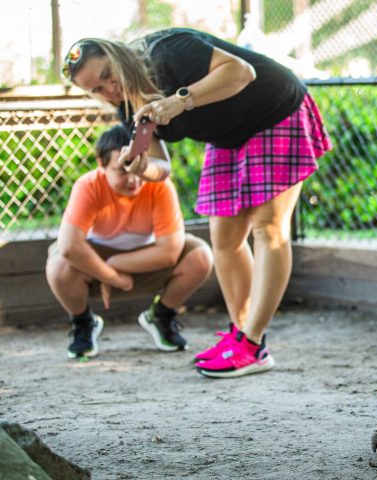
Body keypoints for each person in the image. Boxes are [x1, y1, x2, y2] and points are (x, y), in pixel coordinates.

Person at [61, 28, 331, 378]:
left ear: (117, 55)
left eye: (107, 75)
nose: (108, 89)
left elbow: (240, 72)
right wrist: (142, 167)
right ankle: (242, 334)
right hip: (227, 137)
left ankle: (253, 345)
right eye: (96, 90)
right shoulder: (127, 108)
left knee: (268, 228)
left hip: (274, 109)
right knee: (225, 239)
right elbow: (162, 167)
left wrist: (177, 101)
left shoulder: (165, 51)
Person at [46, 125, 214, 358]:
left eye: (139, 168)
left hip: (145, 260)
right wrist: (112, 277)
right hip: (96, 264)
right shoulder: (87, 185)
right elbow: (69, 246)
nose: (134, 179)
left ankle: (162, 315)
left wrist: (116, 264)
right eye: (123, 170)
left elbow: (169, 252)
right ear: (101, 164)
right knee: (58, 264)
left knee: (201, 255)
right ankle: (83, 323)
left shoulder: (159, 184)